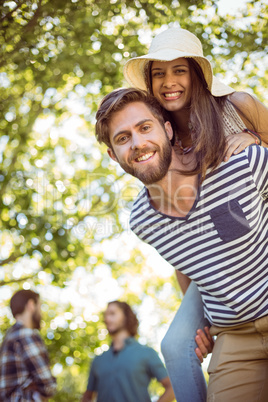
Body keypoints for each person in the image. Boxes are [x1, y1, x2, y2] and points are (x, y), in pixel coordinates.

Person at [94, 83, 268, 402]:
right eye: (123, 138)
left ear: (168, 129)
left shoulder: (240, 162)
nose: (138, 142)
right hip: (235, 339)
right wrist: (201, 327)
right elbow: (189, 264)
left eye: (145, 127)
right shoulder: (143, 222)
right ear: (112, 154)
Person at [81, 301, 175, 402]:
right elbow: (87, 397)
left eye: (112, 314)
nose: (107, 319)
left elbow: (172, 388)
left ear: (125, 317)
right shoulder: (98, 360)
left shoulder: (146, 353)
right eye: (105, 315)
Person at [0, 289, 57, 401]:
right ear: (31, 305)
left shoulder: (8, 337)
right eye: (39, 307)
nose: (41, 313)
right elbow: (48, 385)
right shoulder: (26, 335)